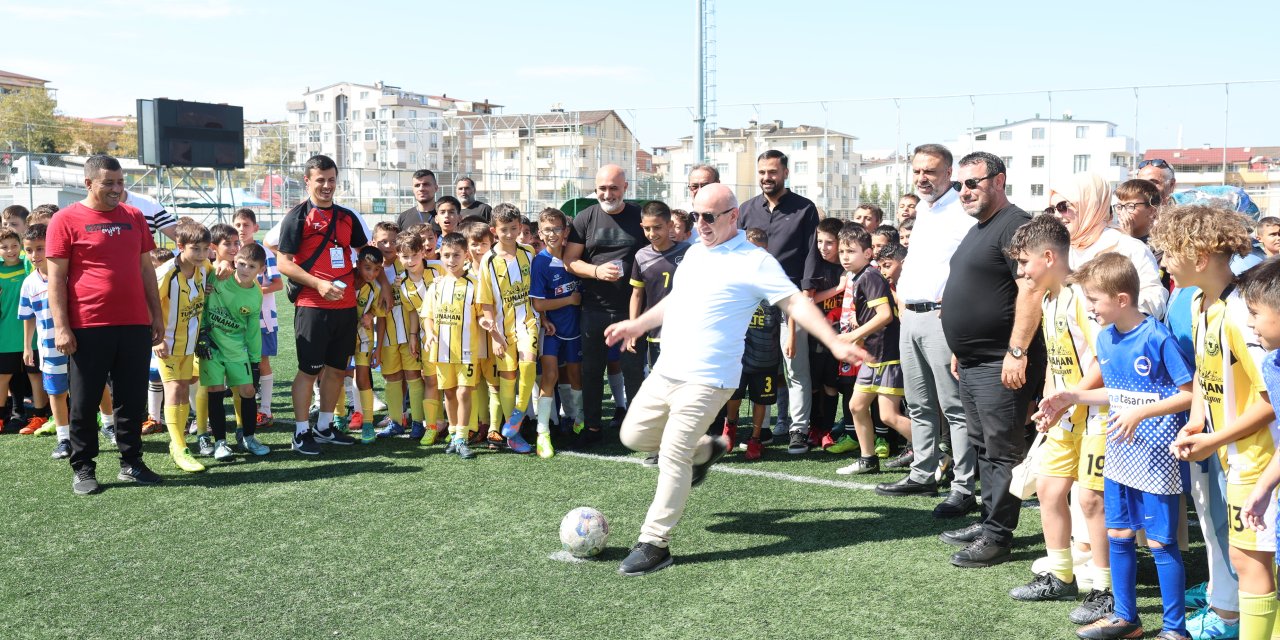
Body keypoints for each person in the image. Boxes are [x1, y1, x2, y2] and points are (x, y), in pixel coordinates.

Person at [603, 183, 869, 577]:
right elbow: (675, 301)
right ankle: (706, 450)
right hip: (667, 370)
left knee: (673, 455)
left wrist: (832, 341)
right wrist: (637, 324)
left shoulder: (755, 261)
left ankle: (654, 543)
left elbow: (795, 301)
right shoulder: (694, 252)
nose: (701, 224)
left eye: (709, 216)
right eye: (696, 216)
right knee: (634, 438)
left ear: (733, 217)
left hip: (709, 377)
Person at [1039, 253, 1194, 640]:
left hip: (1158, 454)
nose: (1089, 308)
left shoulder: (1156, 336)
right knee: (1119, 534)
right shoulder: (1106, 337)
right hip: (1121, 451)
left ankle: (1175, 630)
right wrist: (1072, 395)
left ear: (1122, 299)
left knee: (1161, 541)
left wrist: (1142, 415)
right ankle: (1127, 619)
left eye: (1094, 300)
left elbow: (1189, 394)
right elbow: (1116, 391)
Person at [1161, 205, 1279, 640]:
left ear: (1200, 253)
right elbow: (1205, 377)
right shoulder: (1196, 301)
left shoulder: (1239, 312)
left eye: (1170, 251)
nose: (1163, 261)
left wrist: (1215, 439)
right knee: (1246, 557)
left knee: (1252, 561)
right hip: (1232, 455)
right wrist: (1196, 422)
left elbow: (1272, 401)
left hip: (1258, 456)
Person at [936, 152, 1046, 568]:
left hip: (1002, 362)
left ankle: (998, 537)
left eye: (972, 183)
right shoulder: (980, 228)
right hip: (973, 361)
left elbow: (1031, 291)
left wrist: (1016, 352)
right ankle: (988, 522)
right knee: (983, 446)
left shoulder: (1016, 225)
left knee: (1002, 451)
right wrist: (958, 347)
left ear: (998, 180)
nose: (964, 191)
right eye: (959, 185)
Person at [1005, 215, 1114, 626]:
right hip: (1066, 413)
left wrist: (1069, 398)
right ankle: (1061, 573)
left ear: (1049, 257)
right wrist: (1050, 401)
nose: (1020, 272)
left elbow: (1105, 360)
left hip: (1097, 413)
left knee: (1091, 501)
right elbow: (1059, 359)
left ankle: (1105, 590)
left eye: (1024, 262)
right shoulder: (1049, 299)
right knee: (1049, 490)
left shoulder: (1081, 296)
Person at [47, 154, 165, 495]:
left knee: (131, 399)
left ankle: (132, 463)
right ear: (88, 184)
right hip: (87, 324)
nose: (116, 189)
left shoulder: (134, 216)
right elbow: (56, 280)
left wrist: (155, 316)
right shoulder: (65, 220)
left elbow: (146, 270)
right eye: (108, 183)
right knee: (84, 402)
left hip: (133, 324)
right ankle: (84, 467)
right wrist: (62, 326)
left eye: (120, 182)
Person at [876, 144, 978, 520]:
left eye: (930, 171)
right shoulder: (922, 209)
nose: (922, 178)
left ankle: (964, 487)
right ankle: (923, 473)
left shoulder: (963, 211)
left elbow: (967, 270)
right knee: (918, 403)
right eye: (918, 170)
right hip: (911, 317)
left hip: (941, 318)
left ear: (948, 173)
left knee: (953, 408)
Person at [276, 155, 384, 456]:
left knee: (337, 370)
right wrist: (318, 284)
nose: (326, 185)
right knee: (308, 371)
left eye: (331, 179)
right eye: (320, 180)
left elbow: (368, 253)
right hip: (312, 305)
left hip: (346, 309)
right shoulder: (297, 216)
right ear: (308, 181)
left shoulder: (347, 216)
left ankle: (324, 427)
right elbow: (283, 263)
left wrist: (378, 283)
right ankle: (300, 432)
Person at [736, 150, 821, 454]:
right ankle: (763, 429)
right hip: (751, 302)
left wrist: (806, 294)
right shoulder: (745, 209)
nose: (766, 178)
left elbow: (812, 253)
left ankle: (799, 429)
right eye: (762, 172)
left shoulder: (804, 209)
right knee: (753, 366)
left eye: (772, 172)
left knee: (795, 368)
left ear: (785, 173)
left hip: (789, 301)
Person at [562, 164, 647, 449]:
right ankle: (594, 426)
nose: (607, 193)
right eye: (602, 188)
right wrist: (596, 272)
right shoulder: (585, 218)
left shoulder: (639, 216)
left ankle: (637, 431)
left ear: (625, 187)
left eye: (613, 188)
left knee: (634, 371)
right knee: (591, 371)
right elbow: (570, 260)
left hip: (631, 311)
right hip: (594, 309)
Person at [832, 223, 910, 475]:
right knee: (856, 406)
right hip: (872, 355)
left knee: (888, 416)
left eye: (851, 251)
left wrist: (853, 335)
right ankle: (868, 459)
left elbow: (886, 315)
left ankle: (937, 454)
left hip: (887, 355)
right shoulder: (861, 277)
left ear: (867, 254)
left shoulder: (870, 276)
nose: (845, 256)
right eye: (842, 251)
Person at [1046, 172, 1167, 319]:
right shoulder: (1062, 250)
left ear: (1089, 205)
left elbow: (1155, 298)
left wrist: (1118, 315)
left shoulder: (1127, 247)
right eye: (1052, 209)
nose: (1057, 215)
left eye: (1063, 207)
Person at [478, 205, 539, 454]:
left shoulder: (529, 252)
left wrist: (542, 316)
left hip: (528, 323)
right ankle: (513, 435)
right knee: (508, 377)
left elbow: (536, 289)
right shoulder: (488, 261)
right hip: (502, 331)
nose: (511, 234)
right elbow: (486, 303)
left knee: (528, 364)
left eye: (515, 228)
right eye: (505, 230)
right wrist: (494, 335)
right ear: (494, 230)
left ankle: (515, 419)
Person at [200, 242, 268, 461]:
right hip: (211, 346)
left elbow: (253, 330)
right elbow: (199, 299)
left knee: (248, 391)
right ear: (234, 262)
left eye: (251, 266)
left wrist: (255, 361)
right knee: (215, 391)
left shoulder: (255, 295)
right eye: (241, 264)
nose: (245, 270)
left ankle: (248, 437)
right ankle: (220, 442)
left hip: (237, 348)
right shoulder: (218, 276)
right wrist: (201, 334)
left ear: (261, 270)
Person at [153, 222, 212, 473]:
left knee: (184, 386)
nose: (201, 254)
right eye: (195, 249)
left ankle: (180, 441)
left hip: (190, 342)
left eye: (206, 249)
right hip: (167, 344)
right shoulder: (167, 273)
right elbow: (149, 305)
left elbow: (217, 270)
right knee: (175, 389)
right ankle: (178, 446)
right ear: (180, 247)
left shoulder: (204, 267)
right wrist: (155, 340)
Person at [422, 232, 485, 460]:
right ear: (441, 255)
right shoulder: (435, 286)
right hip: (442, 350)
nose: (451, 260)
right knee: (449, 392)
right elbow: (427, 315)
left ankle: (461, 436)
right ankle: (451, 431)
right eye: (447, 255)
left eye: (456, 255)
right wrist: (429, 334)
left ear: (465, 255)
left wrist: (485, 321)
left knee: (463, 391)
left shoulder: (474, 284)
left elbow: (481, 313)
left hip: (467, 350)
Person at [530, 207, 583, 456]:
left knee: (575, 375)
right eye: (547, 229)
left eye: (557, 229)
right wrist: (569, 301)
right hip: (550, 330)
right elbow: (538, 303)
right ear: (540, 233)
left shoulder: (575, 259)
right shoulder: (539, 262)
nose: (552, 234)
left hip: (575, 328)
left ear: (566, 232)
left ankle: (578, 420)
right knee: (549, 376)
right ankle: (543, 433)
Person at [730, 227, 783, 461]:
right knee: (734, 395)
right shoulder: (733, 279)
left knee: (762, 399)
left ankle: (755, 437)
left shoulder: (776, 279)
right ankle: (729, 428)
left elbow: (788, 312)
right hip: (738, 354)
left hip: (766, 355)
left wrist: (789, 337)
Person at [19, 224, 70, 458]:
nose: (34, 255)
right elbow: (28, 317)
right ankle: (64, 439)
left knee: (97, 388)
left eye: (40, 248)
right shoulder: (29, 283)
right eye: (29, 250)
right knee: (57, 393)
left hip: (81, 344)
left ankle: (109, 426)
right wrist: (27, 345)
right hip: (49, 349)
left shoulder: (70, 273)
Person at [231, 209, 283, 432]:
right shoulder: (231, 250)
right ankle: (243, 411)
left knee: (262, 363)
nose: (241, 229)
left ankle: (266, 409)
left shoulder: (264, 252)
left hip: (262, 319)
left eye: (245, 224)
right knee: (237, 365)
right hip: (235, 320)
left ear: (255, 227)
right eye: (238, 224)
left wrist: (250, 291)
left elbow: (278, 284)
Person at [627, 201, 690, 370]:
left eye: (657, 227)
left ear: (670, 225)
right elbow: (637, 294)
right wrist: (633, 326)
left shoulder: (688, 252)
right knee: (661, 383)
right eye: (647, 228)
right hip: (656, 333)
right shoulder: (641, 256)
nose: (652, 233)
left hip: (686, 332)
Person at [351, 246, 385, 444]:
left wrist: (370, 315)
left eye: (377, 269)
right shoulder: (345, 280)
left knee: (362, 377)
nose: (372, 273)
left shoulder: (375, 289)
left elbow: (379, 316)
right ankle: (337, 418)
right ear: (357, 265)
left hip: (364, 338)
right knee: (339, 375)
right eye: (367, 268)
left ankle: (368, 423)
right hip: (341, 338)